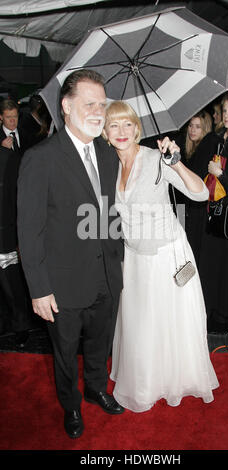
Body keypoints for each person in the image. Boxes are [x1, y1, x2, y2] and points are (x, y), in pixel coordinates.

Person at [17, 69, 124, 439]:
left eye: (102, 104)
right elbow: (29, 231)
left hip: (106, 276)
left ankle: (96, 389)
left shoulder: (109, 154)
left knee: (100, 344)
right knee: (64, 354)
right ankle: (72, 405)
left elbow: (110, 212)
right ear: (66, 106)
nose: (98, 111)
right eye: (89, 103)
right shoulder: (41, 158)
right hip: (61, 284)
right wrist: (38, 288)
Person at [102, 101, 219, 413]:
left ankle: (172, 379)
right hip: (135, 257)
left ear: (137, 128)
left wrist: (177, 163)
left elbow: (200, 193)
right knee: (142, 322)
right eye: (114, 125)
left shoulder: (156, 159)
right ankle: (145, 380)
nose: (122, 131)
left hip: (166, 253)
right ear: (105, 132)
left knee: (167, 320)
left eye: (128, 124)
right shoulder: (107, 165)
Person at [198, 92, 228, 333]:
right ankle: (209, 312)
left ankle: (223, 317)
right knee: (210, 263)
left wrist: (220, 173)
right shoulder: (217, 139)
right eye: (224, 111)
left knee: (225, 265)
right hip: (212, 211)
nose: (226, 115)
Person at [0, 146, 32, 347]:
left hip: (6, 232)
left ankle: (21, 326)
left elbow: (20, 198)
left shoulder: (10, 158)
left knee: (12, 284)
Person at [181, 111, 221, 266]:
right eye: (191, 125)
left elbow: (195, 178)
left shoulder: (207, 143)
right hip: (195, 209)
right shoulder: (193, 149)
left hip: (201, 210)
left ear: (205, 128)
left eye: (198, 127)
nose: (192, 130)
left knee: (195, 252)